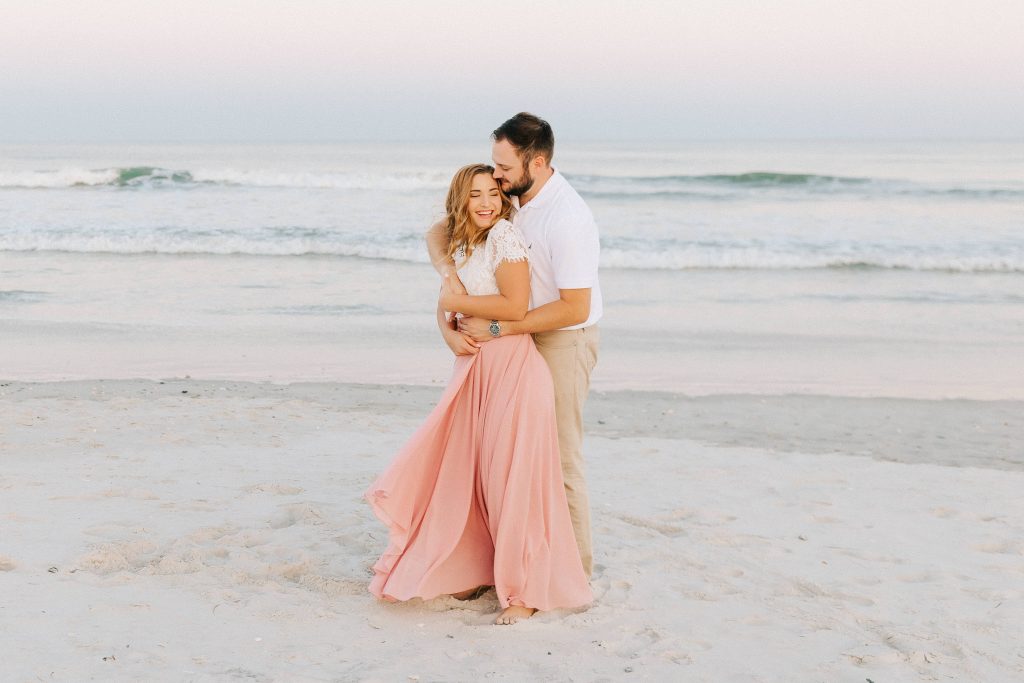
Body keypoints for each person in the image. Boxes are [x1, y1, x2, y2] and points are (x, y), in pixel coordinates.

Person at [365, 163, 592, 625]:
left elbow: (513, 305)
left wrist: (453, 302)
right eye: (476, 195)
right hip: (473, 368)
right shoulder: (466, 238)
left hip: (511, 367)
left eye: (493, 191)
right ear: (461, 201)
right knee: (471, 476)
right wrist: (446, 316)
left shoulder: (506, 237)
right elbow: (434, 234)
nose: (487, 202)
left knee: (513, 480)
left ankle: (524, 590)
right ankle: (477, 567)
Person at [425, 113, 602, 578]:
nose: (496, 176)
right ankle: (505, 562)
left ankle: (570, 574)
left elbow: (575, 308)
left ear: (537, 162)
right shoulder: (514, 200)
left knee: (557, 461)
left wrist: (501, 329)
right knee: (503, 458)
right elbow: (442, 230)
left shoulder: (568, 218)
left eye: (503, 167)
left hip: (562, 340)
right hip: (514, 343)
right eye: (494, 164)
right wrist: (449, 297)